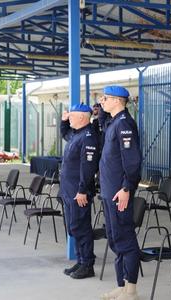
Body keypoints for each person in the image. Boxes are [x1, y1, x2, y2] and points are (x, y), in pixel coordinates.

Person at [98, 85, 142, 300]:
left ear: (117, 100)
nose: (101, 101)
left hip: (119, 192)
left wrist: (127, 188)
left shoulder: (124, 124)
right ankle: (121, 284)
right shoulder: (113, 122)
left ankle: (131, 290)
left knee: (125, 238)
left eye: (105, 98)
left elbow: (132, 161)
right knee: (115, 239)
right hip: (109, 191)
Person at [60, 103, 99, 279]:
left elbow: (88, 167)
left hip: (79, 192)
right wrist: (63, 122)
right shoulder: (76, 134)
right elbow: (64, 133)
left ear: (83, 117)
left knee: (81, 227)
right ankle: (81, 260)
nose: (70, 118)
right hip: (69, 191)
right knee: (73, 227)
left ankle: (87, 265)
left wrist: (83, 190)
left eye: (72, 116)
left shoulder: (88, 137)